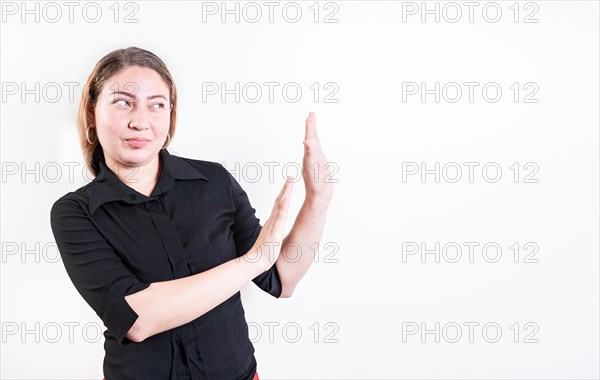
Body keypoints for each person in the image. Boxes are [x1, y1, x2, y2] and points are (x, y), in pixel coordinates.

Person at [50, 46, 334, 380]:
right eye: (123, 102)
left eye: (157, 105)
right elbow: (138, 320)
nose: (140, 121)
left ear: (170, 116)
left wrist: (318, 198)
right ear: (91, 114)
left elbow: (282, 279)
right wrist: (254, 259)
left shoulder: (214, 182)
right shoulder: (75, 212)